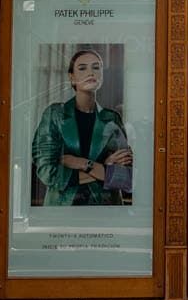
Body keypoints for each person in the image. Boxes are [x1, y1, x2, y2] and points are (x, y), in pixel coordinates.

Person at [30, 49, 135, 206]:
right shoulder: (55, 115)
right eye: (82, 68)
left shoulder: (112, 118)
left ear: (102, 76)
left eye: (96, 67)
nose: (90, 72)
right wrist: (104, 168)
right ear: (71, 77)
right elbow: (48, 172)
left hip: (106, 209)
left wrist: (77, 162)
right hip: (62, 209)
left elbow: (125, 177)